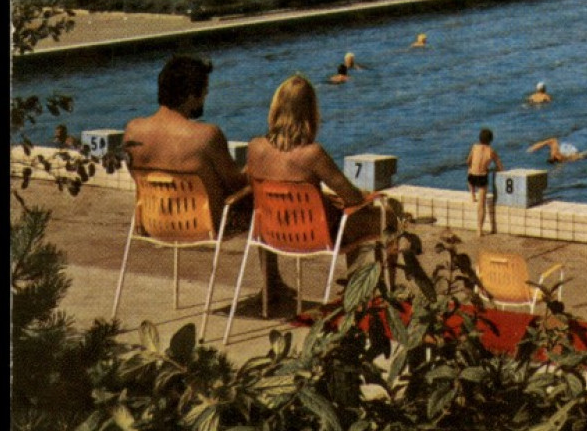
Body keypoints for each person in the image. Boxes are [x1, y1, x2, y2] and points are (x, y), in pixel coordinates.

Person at [245, 75, 391, 276]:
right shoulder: (313, 154)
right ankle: (368, 293)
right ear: (311, 113)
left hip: (272, 233)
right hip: (314, 234)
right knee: (387, 217)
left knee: (265, 209)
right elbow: (353, 198)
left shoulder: (255, 147)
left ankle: (271, 288)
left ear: (275, 109)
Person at [124, 54, 248, 213]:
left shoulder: (133, 130)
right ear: (191, 97)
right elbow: (236, 185)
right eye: (205, 92)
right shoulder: (207, 135)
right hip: (202, 227)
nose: (205, 97)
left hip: (155, 223)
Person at [466, 128, 503, 235]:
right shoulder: (491, 151)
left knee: (470, 170)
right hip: (482, 178)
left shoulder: (474, 147)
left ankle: (472, 194)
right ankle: (479, 230)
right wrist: (490, 169)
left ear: (480, 138)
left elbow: (468, 161)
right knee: (481, 205)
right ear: (490, 140)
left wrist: (473, 167)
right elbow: (500, 167)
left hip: (472, 177)